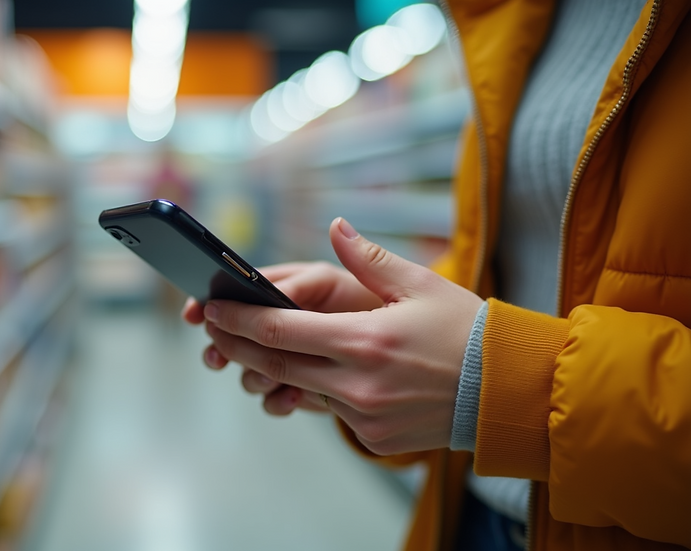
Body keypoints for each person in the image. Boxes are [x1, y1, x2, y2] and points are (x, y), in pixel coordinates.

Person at [183, 0, 691, 550]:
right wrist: (376, 320)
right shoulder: (508, 20)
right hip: (470, 514)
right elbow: (522, 269)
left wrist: (501, 388)